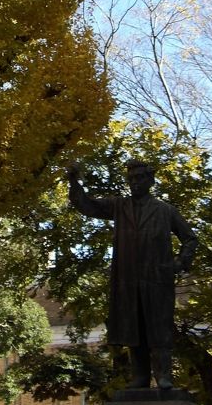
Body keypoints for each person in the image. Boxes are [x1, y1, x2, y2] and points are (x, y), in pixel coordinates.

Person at [67, 160, 198, 390]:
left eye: (139, 178)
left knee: (159, 329)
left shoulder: (165, 210)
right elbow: (87, 206)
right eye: (131, 179)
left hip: (157, 279)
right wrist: (74, 181)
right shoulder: (119, 206)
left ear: (150, 181)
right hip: (127, 280)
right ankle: (140, 377)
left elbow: (190, 238)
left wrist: (179, 263)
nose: (135, 183)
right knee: (133, 329)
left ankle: (164, 376)